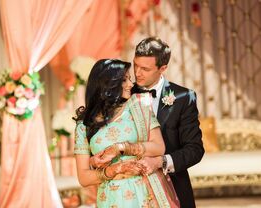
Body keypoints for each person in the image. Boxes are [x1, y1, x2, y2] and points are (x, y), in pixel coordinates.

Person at [74, 59, 180, 208]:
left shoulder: (138, 107)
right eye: (124, 80)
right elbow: (84, 177)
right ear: (107, 84)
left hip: (144, 193)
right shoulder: (83, 125)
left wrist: (121, 148)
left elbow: (159, 147)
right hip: (111, 198)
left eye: (129, 79)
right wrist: (116, 169)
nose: (131, 84)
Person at [131, 37, 205, 208]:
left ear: (162, 68)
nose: (137, 73)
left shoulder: (184, 98)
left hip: (173, 187)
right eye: (135, 65)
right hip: (132, 189)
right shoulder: (125, 94)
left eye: (145, 68)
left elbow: (195, 149)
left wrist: (161, 162)